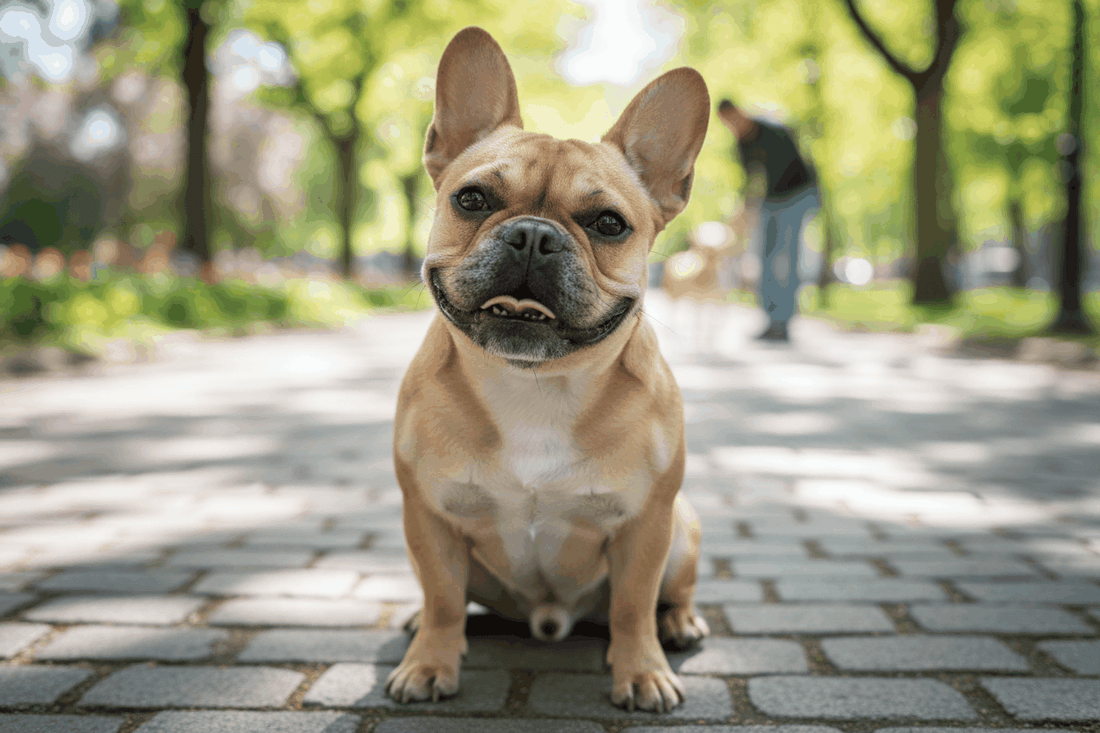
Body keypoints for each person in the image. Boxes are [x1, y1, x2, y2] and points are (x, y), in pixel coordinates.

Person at [717, 99, 819, 342]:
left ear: (740, 112)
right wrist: (744, 210)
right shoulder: (742, 145)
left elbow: (790, 168)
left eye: (733, 120)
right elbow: (750, 180)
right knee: (766, 256)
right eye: (727, 124)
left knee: (786, 256)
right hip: (771, 199)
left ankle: (783, 322)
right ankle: (770, 320)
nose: (733, 126)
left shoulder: (772, 130)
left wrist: (756, 201)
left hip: (798, 194)